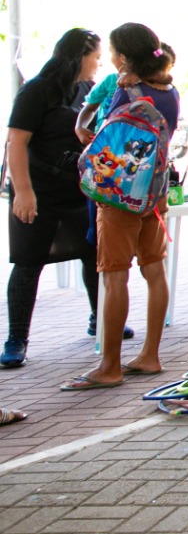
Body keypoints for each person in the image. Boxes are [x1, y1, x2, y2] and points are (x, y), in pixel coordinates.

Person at [60, 24, 179, 391]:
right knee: (154, 271)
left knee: (113, 277)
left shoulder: (126, 91)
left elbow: (108, 138)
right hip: (154, 196)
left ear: (123, 56)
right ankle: (150, 355)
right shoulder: (170, 91)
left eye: (112, 52)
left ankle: (109, 366)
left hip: (118, 197)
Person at [3, 28, 102, 368]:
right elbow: (15, 142)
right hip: (36, 189)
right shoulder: (37, 90)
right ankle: (17, 339)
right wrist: (24, 193)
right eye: (95, 57)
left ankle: (99, 321)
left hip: (76, 189)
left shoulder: (88, 91)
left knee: (93, 253)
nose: (98, 64)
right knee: (29, 262)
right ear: (79, 56)